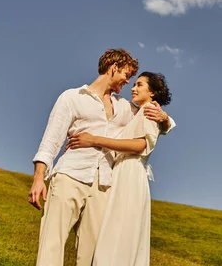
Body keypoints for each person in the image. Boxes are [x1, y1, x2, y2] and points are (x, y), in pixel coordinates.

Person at [27, 49, 173, 266]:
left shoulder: (124, 107)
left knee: (92, 254)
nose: (128, 81)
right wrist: (39, 178)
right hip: (71, 175)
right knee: (52, 243)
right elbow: (50, 141)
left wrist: (166, 119)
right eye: (126, 74)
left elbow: (148, 119)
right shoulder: (72, 97)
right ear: (114, 67)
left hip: (104, 184)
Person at [65, 71, 172, 266]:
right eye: (134, 84)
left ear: (152, 93)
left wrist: (94, 139)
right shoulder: (139, 112)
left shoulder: (149, 110)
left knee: (118, 235)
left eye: (140, 84)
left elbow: (140, 145)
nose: (133, 88)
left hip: (131, 174)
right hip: (122, 173)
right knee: (113, 235)